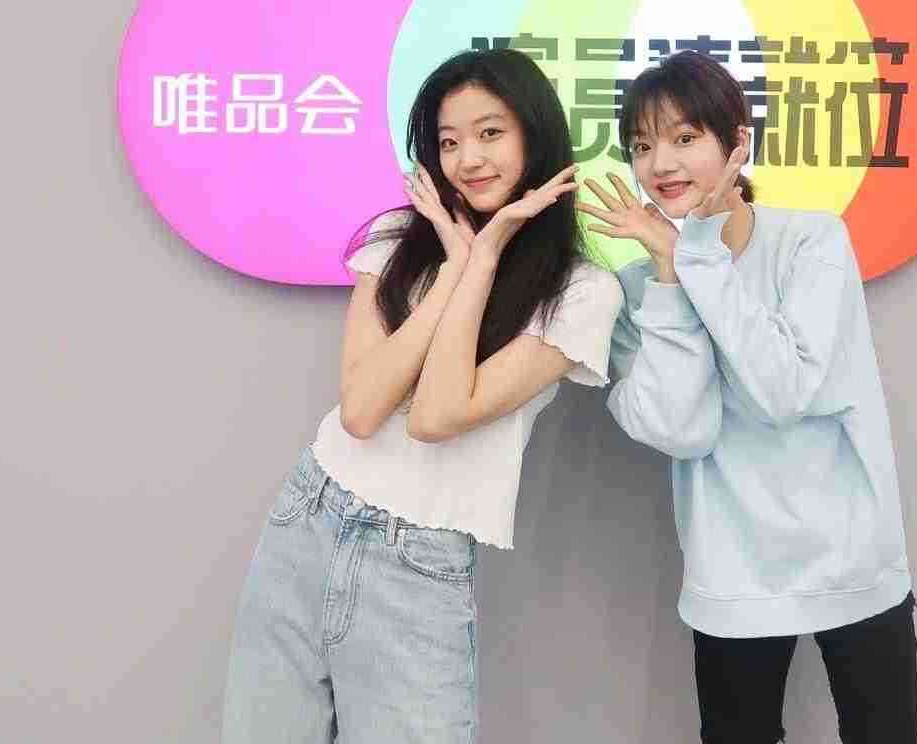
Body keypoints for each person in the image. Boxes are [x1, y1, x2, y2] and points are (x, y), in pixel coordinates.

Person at [222, 47, 623, 743]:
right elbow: (361, 412)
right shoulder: (394, 242)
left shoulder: (581, 294)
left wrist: (484, 258)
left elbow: (437, 416)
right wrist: (455, 262)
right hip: (308, 518)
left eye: (490, 133)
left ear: (535, 134)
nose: (469, 158)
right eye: (449, 141)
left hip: (418, 558)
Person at [580, 50, 917, 744]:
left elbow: (783, 392)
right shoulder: (641, 289)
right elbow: (685, 430)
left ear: (737, 142)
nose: (660, 164)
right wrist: (671, 273)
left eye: (684, 138)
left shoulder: (812, 242)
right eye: (641, 147)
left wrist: (698, 255)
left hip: (851, 558)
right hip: (730, 575)